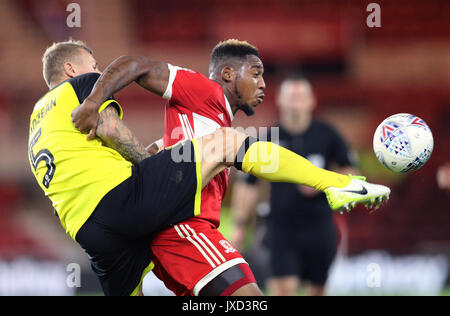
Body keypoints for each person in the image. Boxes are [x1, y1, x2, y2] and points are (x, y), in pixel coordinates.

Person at [71, 39, 391, 296]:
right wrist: (92, 102)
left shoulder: (205, 122)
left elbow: (164, 153)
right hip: (184, 228)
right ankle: (333, 184)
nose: (263, 84)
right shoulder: (202, 91)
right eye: (255, 73)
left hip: (182, 230)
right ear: (227, 74)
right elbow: (136, 64)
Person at [231, 74, 358, 296]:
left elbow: (352, 172)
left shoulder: (328, 135)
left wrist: (322, 181)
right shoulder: (267, 137)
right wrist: (240, 224)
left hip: (320, 226)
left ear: (312, 101)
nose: (296, 102)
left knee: (317, 290)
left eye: (301, 97)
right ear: (280, 100)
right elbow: (248, 184)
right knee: (283, 289)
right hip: (281, 228)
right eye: (291, 97)